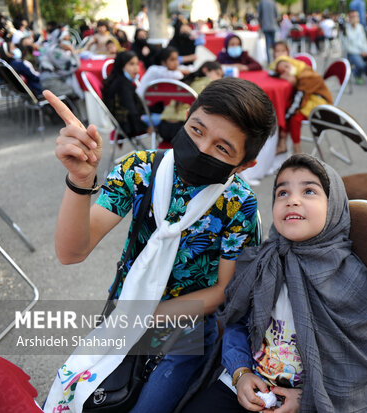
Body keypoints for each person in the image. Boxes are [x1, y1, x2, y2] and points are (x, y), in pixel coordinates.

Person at [43, 76, 277, 412]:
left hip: (188, 331)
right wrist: (80, 182)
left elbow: (225, 289)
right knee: (83, 397)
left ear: (244, 165)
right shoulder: (139, 170)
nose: (201, 148)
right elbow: (71, 252)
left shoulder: (238, 203)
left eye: (222, 148)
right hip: (124, 314)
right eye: (197, 130)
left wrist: (147, 318)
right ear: (186, 117)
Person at [182, 153, 367, 413]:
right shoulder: (264, 261)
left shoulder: (349, 277)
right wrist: (240, 373)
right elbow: (236, 322)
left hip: (314, 400)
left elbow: (361, 361)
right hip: (250, 383)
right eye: (282, 193)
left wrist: (304, 400)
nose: (292, 200)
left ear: (334, 207)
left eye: (309, 191)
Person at [273, 56, 333, 155]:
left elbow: (299, 101)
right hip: (309, 98)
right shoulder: (300, 70)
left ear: (291, 62)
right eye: (283, 71)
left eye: (286, 66)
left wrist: (286, 118)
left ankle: (297, 149)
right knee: (287, 106)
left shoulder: (306, 75)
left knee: (294, 116)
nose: (286, 71)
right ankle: (282, 143)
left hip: (319, 102)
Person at [102, 50, 149, 138]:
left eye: (137, 64)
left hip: (128, 122)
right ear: (122, 66)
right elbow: (131, 111)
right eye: (131, 64)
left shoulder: (121, 81)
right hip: (129, 126)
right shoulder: (122, 85)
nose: (136, 68)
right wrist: (147, 127)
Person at [344, 10, 367, 83]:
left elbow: (364, 41)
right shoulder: (346, 29)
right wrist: (360, 52)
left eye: (356, 16)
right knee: (361, 65)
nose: (355, 18)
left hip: (363, 51)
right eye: (352, 16)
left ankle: (358, 72)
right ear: (349, 18)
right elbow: (347, 47)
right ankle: (357, 74)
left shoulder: (360, 27)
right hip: (353, 53)